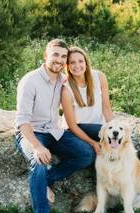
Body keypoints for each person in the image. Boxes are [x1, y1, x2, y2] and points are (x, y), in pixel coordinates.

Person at [14, 39, 96, 213]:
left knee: (87, 154)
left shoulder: (63, 80)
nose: (59, 60)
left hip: (54, 131)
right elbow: (22, 120)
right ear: (46, 55)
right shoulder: (30, 81)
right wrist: (36, 146)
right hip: (32, 132)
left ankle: (46, 179)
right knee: (39, 162)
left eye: (63, 56)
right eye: (55, 55)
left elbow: (83, 83)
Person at [61, 46, 114, 155]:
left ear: (86, 62)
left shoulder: (99, 77)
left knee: (118, 138)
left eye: (80, 61)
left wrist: (114, 128)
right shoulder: (66, 88)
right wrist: (92, 143)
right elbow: (72, 125)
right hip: (77, 129)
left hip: (98, 127)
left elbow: (106, 107)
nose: (77, 66)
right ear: (67, 66)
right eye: (72, 62)